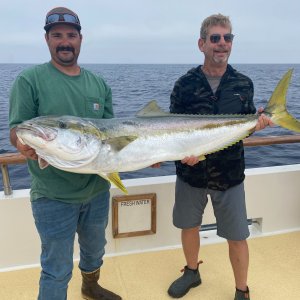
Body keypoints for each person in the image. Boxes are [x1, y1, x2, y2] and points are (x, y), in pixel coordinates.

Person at [9, 7, 121, 300]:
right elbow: (16, 130)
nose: (65, 41)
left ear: (80, 39)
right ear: (47, 40)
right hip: (53, 195)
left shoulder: (99, 83)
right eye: (57, 35)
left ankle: (90, 285)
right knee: (56, 268)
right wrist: (23, 145)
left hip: (96, 189)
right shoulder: (29, 80)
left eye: (71, 35)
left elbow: (111, 136)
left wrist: (145, 155)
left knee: (95, 251)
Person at [167, 14, 271, 300]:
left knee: (237, 235)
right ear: (202, 44)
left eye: (227, 38)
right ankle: (191, 272)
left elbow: (241, 129)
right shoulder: (184, 84)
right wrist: (182, 155)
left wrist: (256, 124)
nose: (222, 43)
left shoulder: (243, 84)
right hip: (191, 173)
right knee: (189, 226)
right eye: (215, 38)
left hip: (230, 174)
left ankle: (242, 290)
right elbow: (171, 130)